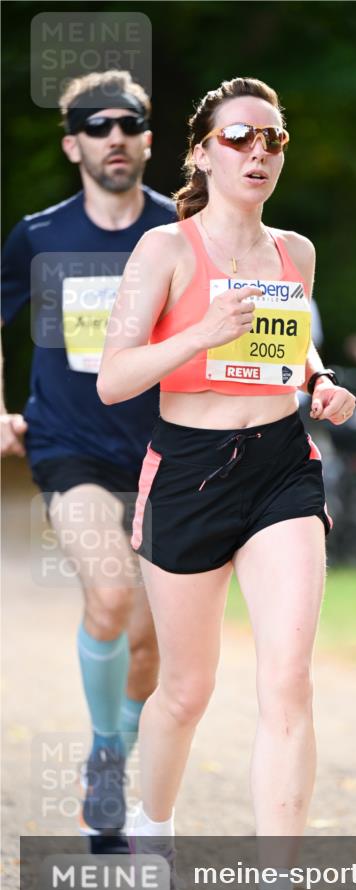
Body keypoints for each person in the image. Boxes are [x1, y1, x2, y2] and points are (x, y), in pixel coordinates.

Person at [97, 77, 356, 890]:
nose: (257, 153)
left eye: (273, 140)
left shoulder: (295, 252)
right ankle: (149, 828)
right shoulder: (163, 253)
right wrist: (200, 333)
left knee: (288, 683)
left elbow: (290, 341)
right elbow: (116, 377)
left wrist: (319, 381)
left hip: (282, 469)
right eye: (239, 137)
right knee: (186, 690)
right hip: (189, 477)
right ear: (203, 152)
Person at [1, 70, 176, 835]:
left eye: (128, 125)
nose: (115, 138)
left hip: (168, 453)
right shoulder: (40, 236)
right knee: (109, 597)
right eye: (97, 127)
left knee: (149, 642)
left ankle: (117, 743)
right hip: (68, 446)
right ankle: (108, 758)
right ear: (72, 143)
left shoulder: (180, 231)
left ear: (146, 139)